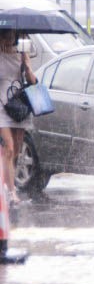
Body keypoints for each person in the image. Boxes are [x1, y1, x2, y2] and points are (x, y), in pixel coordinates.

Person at [0, 29, 37, 203]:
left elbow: (32, 81)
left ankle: (7, 183)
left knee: (16, 150)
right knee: (9, 147)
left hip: (19, 106)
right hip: (1, 105)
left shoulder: (22, 51)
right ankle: (10, 192)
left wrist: (26, 65)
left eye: (12, 36)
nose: (9, 39)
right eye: (6, 35)